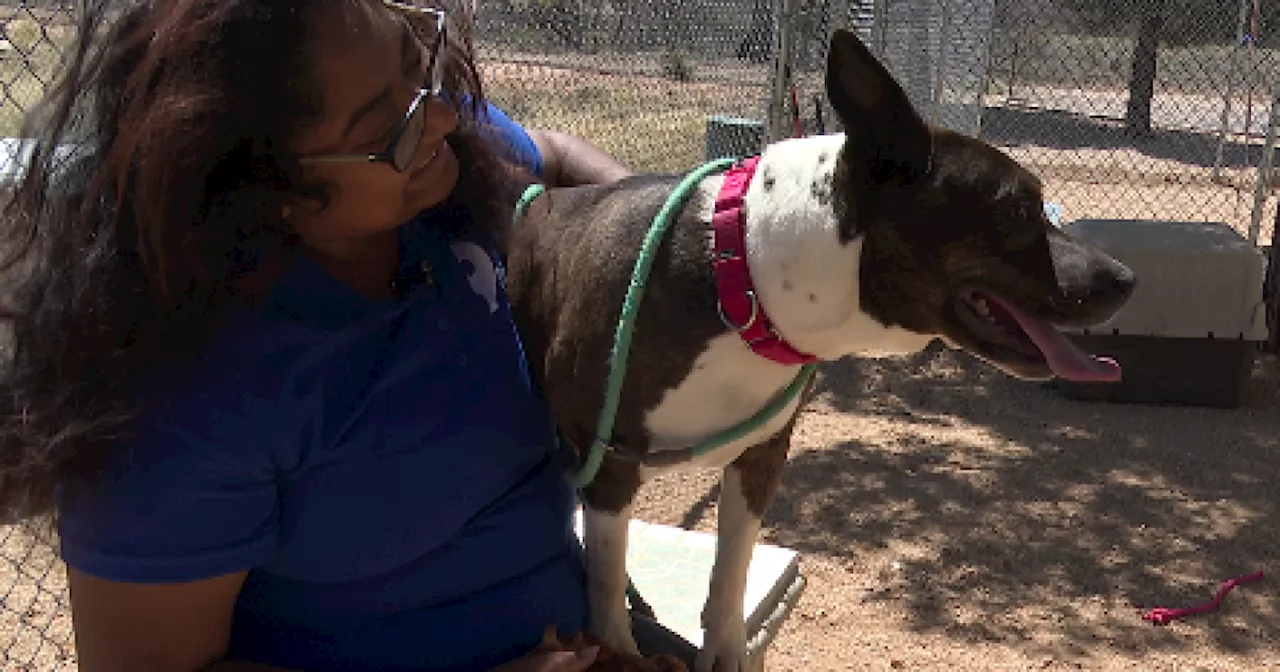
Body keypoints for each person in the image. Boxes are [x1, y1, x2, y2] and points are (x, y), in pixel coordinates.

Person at [0, 1, 695, 670]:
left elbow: (554, 158)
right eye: (382, 130)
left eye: (416, 64)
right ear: (275, 189)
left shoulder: (442, 176)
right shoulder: (184, 392)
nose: (446, 113)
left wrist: (681, 243)